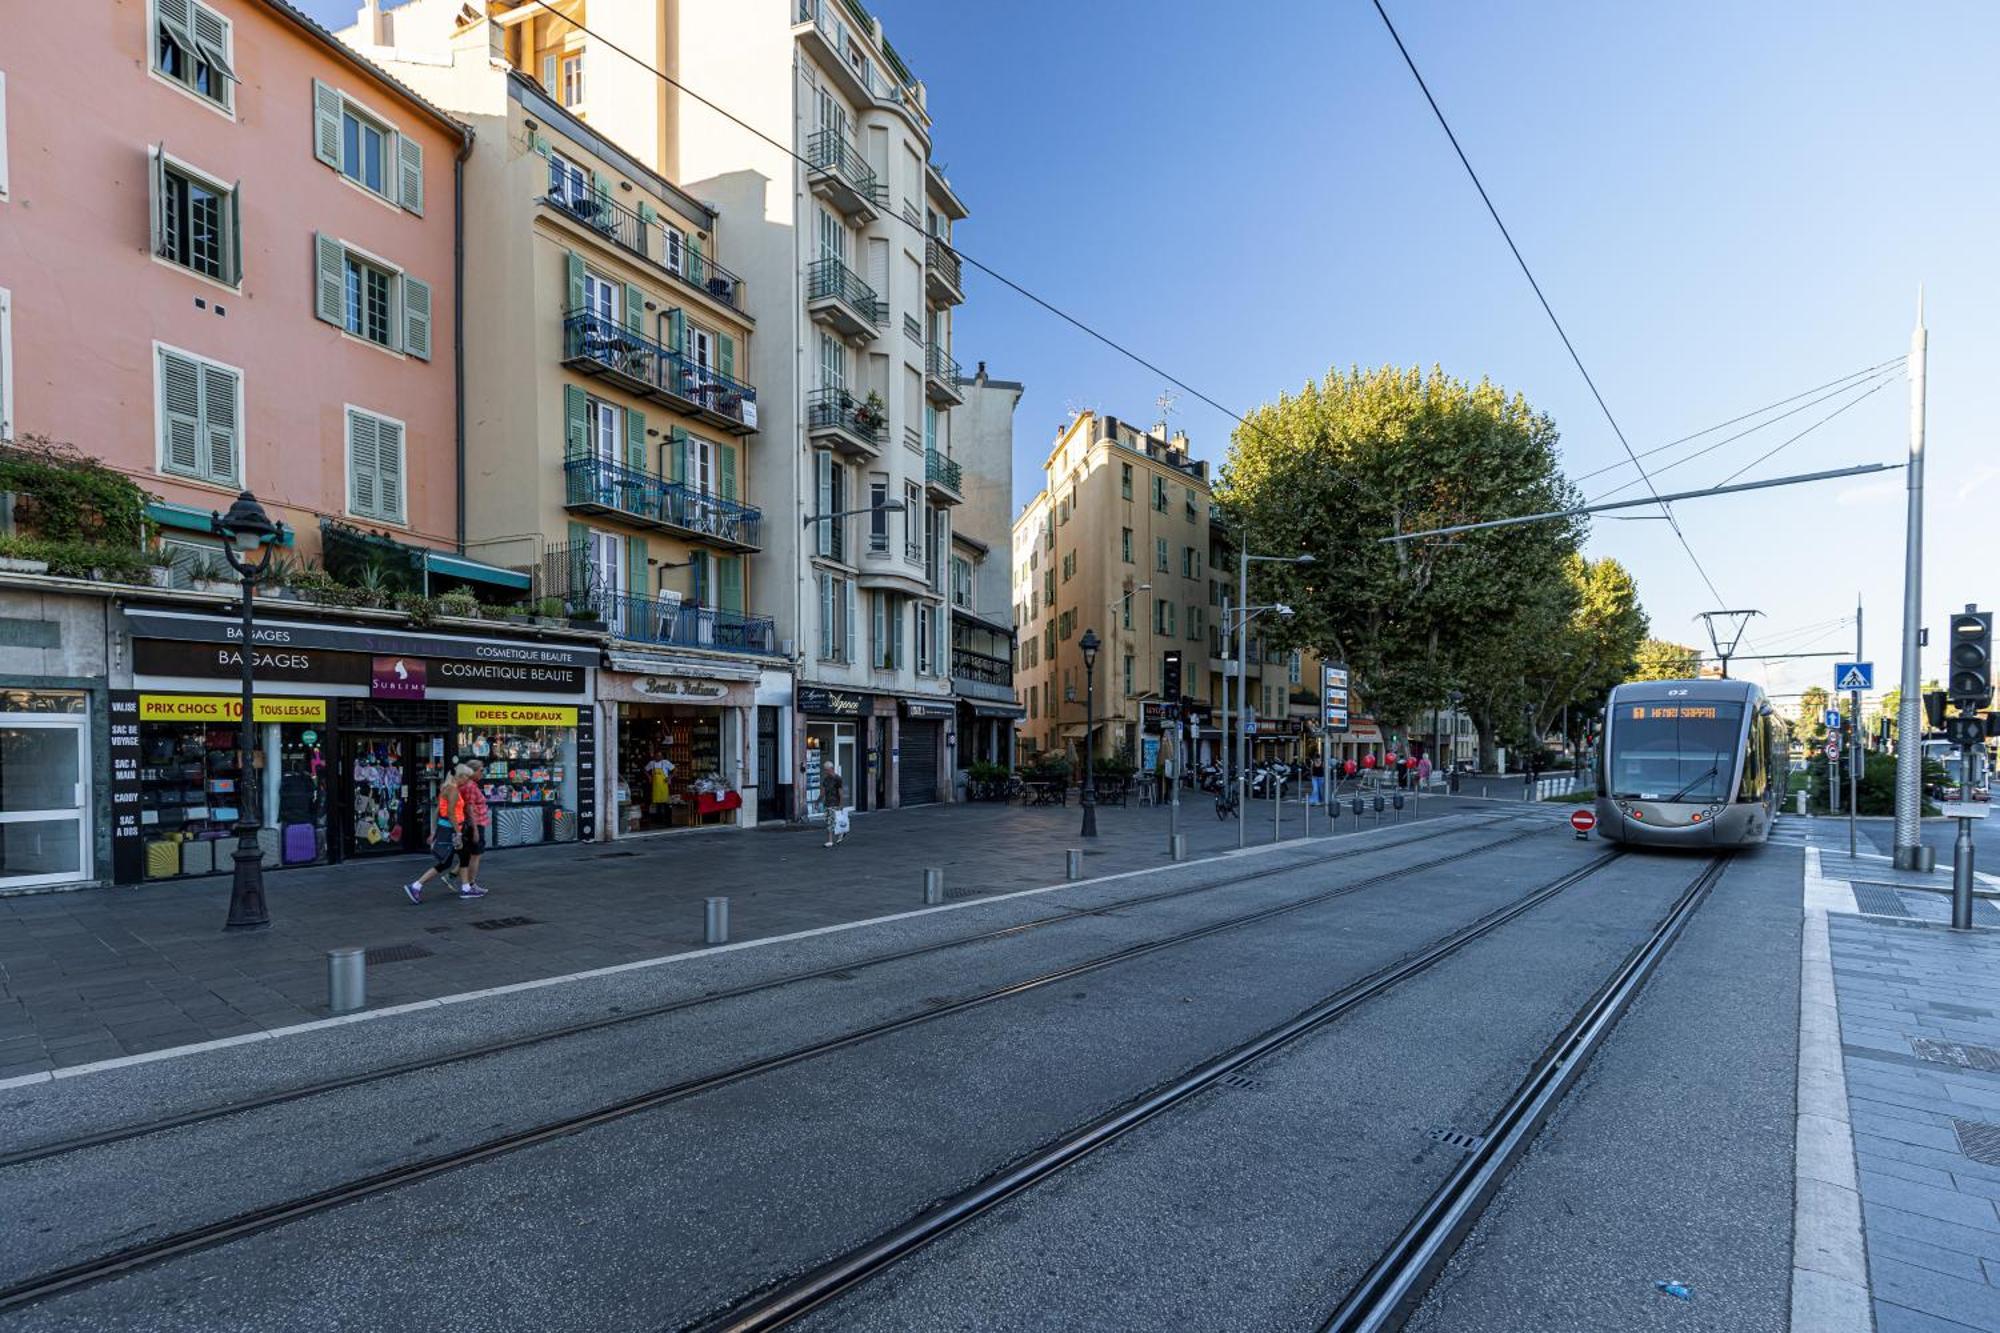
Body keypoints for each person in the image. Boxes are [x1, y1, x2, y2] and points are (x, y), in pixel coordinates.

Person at [404, 769, 464, 904]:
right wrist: (458, 832)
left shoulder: (445, 789)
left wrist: (434, 832)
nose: (466, 780)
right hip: (451, 829)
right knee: (454, 860)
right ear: (459, 777)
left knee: (452, 860)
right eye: (465, 776)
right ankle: (416, 885)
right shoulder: (452, 790)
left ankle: (461, 883)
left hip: (446, 828)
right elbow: (450, 813)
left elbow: (438, 812)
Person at [456, 762, 490, 899]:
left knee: (471, 855)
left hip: (475, 822)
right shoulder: (470, 786)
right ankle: (470, 884)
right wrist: (475, 829)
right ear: (473, 771)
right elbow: (469, 808)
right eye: (481, 770)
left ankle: (466, 883)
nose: (483, 773)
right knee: (475, 855)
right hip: (475, 823)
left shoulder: (470, 785)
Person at [822, 761, 845, 847]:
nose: (826, 772)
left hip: (835, 803)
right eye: (825, 770)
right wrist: (817, 801)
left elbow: (840, 793)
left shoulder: (838, 779)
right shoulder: (826, 779)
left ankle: (830, 841)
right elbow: (823, 792)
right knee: (829, 821)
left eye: (827, 770)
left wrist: (841, 804)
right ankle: (841, 833)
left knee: (830, 822)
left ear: (831, 769)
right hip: (827, 803)